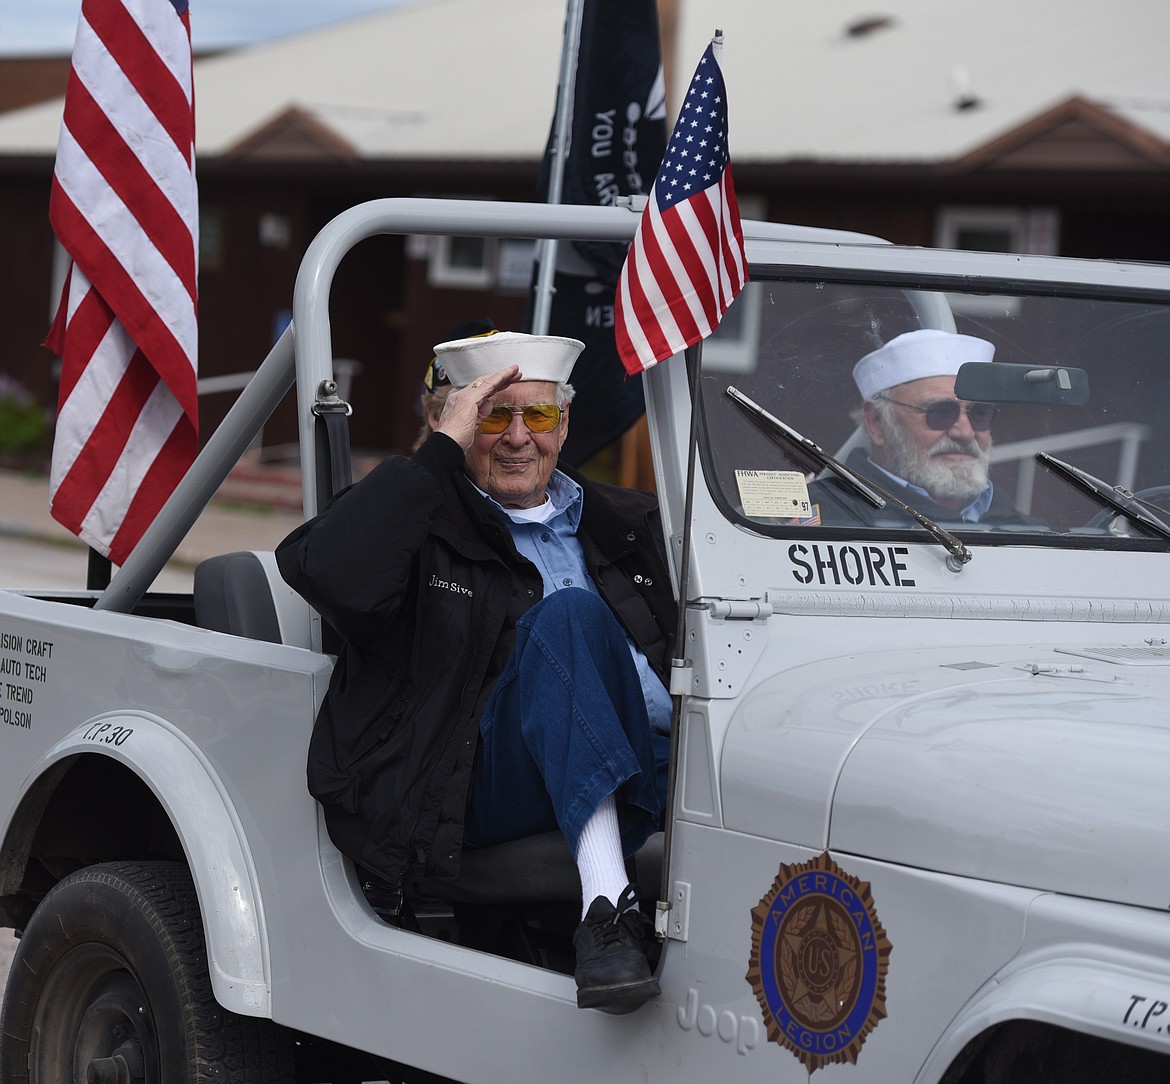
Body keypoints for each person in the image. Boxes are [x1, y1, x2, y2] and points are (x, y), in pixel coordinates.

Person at [276, 331, 676, 1013]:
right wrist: (437, 455)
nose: (518, 437)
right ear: (450, 421)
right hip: (473, 777)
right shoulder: (421, 522)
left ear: (566, 423)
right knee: (568, 619)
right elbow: (331, 576)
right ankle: (608, 908)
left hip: (662, 760)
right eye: (493, 414)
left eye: (539, 416)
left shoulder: (632, 523)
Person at [810, 328, 1027, 525]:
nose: (965, 432)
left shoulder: (1034, 534)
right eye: (940, 412)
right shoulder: (825, 523)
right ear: (877, 423)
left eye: (979, 413)